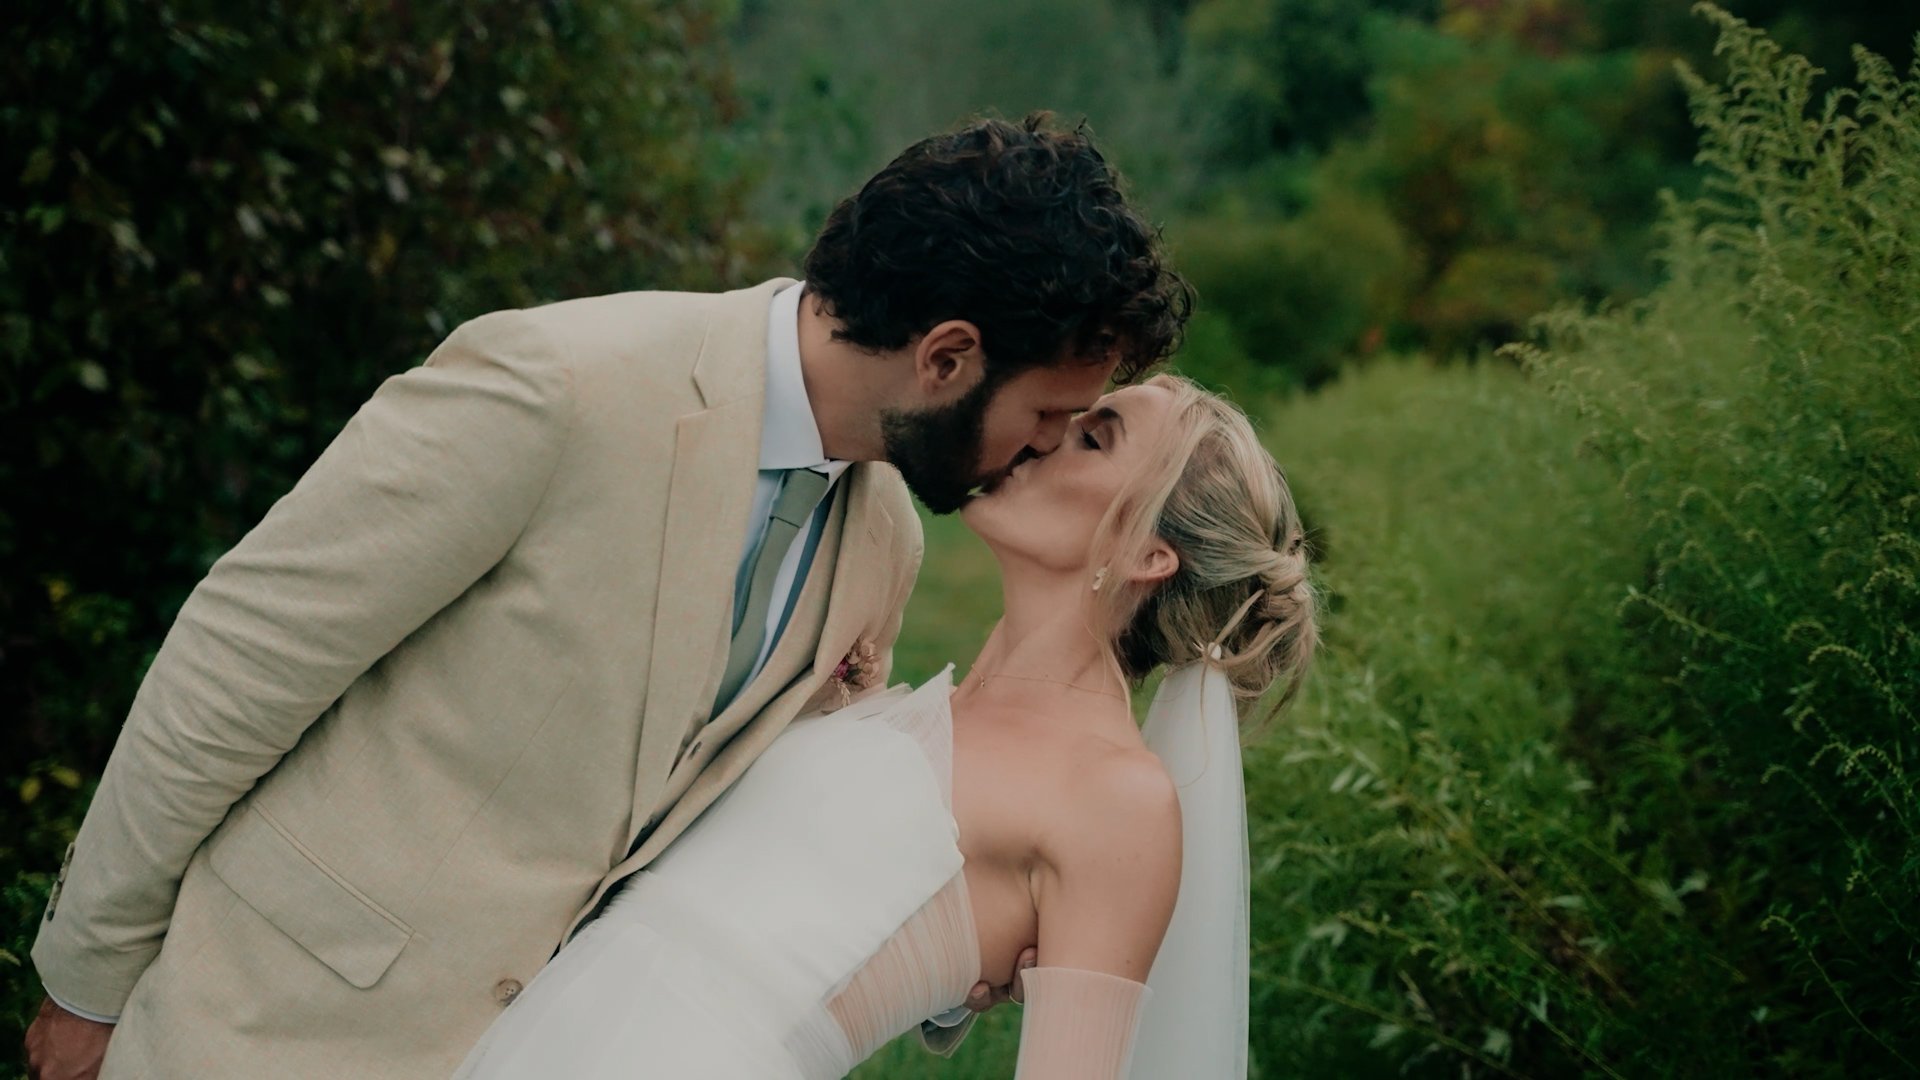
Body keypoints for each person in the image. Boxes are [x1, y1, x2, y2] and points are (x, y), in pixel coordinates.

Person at [24, 113, 1190, 1079]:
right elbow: (234, 667)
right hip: (274, 1036)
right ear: (945, 357)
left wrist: (960, 955)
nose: (1034, 452)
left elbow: (768, 832)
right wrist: (86, 981)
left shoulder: (884, 539)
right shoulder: (560, 387)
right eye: (1044, 414)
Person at [453, 374, 1318, 1078]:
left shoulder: (1117, 798)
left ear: (1147, 555)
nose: (1042, 431)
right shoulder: (901, 704)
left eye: (1094, 436)